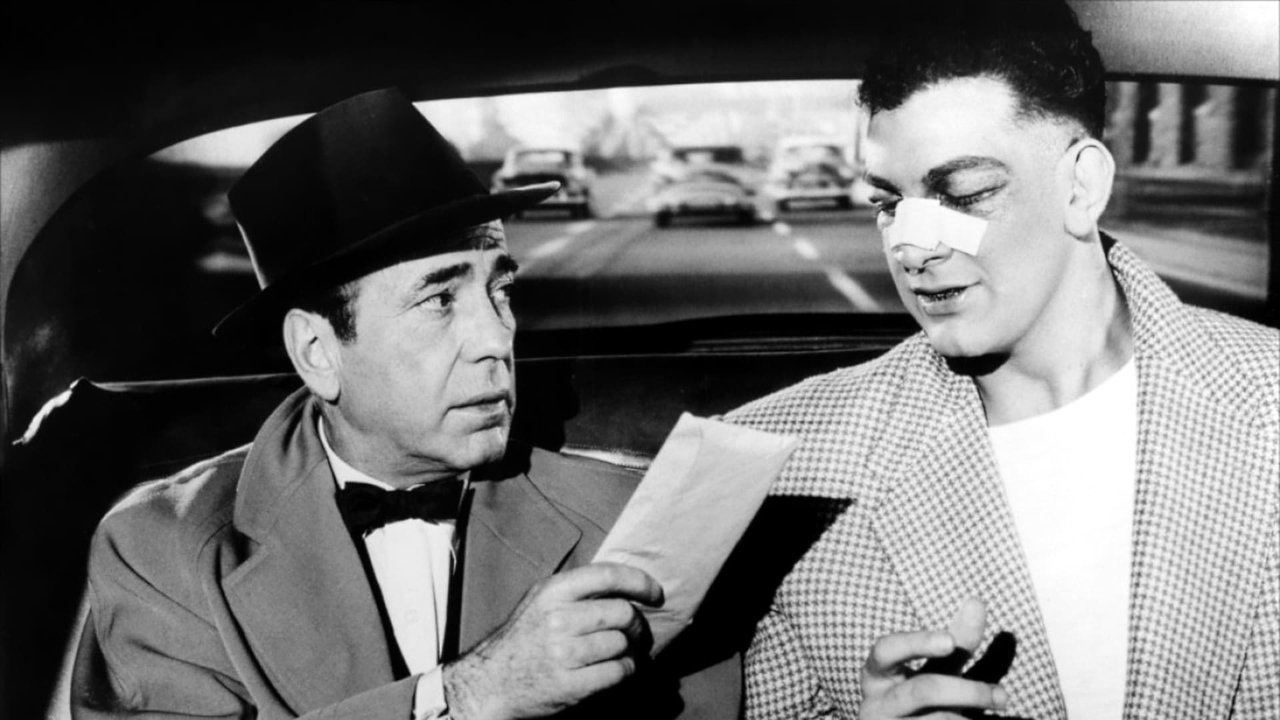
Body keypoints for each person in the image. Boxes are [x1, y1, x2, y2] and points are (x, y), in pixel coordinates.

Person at [69, 88, 740, 719]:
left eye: (501, 291)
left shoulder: (628, 524)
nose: (496, 340)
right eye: (440, 299)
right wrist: (469, 696)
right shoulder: (163, 549)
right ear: (318, 352)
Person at [727, 2, 1279, 719]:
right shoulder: (781, 467)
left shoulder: (1267, 401)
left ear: (1082, 187)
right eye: (889, 203)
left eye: (965, 194)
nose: (911, 247)